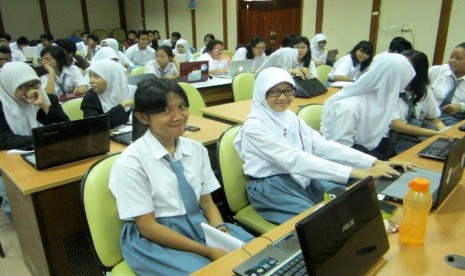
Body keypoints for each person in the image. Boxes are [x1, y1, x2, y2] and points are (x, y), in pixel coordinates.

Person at [108, 78, 253, 275]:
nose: (178, 116)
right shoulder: (131, 163)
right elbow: (148, 227)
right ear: (142, 117)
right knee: (214, 272)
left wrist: (221, 231)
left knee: (254, 254)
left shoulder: (196, 149)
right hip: (156, 237)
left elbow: (208, 204)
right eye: (165, 110)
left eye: (182, 107)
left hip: (197, 223)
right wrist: (208, 251)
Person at [233, 66, 411, 224]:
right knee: (323, 224)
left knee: (355, 202)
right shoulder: (254, 127)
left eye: (288, 91)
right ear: (261, 93)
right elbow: (294, 159)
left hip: (301, 177)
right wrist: (359, 172)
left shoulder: (289, 117)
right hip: (271, 187)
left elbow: (322, 146)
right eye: (274, 92)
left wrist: (373, 163)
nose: (282, 97)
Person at [0, 62, 70, 218]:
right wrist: (42, 137)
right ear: (10, 86)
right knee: (15, 197)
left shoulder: (46, 98)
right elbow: (4, 139)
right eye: (24, 86)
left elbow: (66, 126)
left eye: (35, 84)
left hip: (47, 153)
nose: (32, 90)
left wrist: (45, 106)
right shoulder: (2, 105)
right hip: (11, 160)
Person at [321, 53, 416, 160]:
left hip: (365, 157)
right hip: (346, 162)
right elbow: (340, 152)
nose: (401, 89)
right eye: (400, 83)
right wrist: (377, 164)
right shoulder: (349, 106)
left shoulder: (382, 101)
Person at [390, 50, 445, 154]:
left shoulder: (424, 90)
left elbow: (433, 117)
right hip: (394, 137)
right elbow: (397, 126)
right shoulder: (390, 90)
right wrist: (436, 134)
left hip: (417, 135)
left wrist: (444, 131)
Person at [81, 60, 136, 129]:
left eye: (96, 76)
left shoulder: (134, 91)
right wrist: (124, 105)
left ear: (112, 77)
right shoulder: (91, 97)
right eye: (90, 76)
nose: (91, 81)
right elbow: (93, 126)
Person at [429, 42, 465, 126]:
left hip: (456, 119)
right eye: (451, 56)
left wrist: (461, 106)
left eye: (458, 58)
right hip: (430, 116)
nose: (452, 60)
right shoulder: (437, 71)